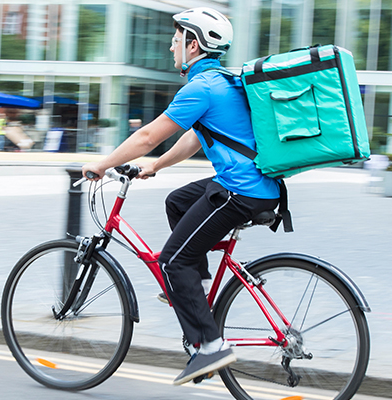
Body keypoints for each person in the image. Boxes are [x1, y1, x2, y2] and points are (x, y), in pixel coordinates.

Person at [82, 7, 282, 386]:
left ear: (193, 45)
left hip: (240, 192)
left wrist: (101, 163)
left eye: (176, 40)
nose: (171, 46)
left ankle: (210, 346)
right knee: (177, 201)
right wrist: (155, 167)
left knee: (172, 260)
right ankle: (195, 287)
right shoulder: (221, 81)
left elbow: (147, 137)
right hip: (255, 186)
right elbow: (195, 137)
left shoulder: (200, 87)